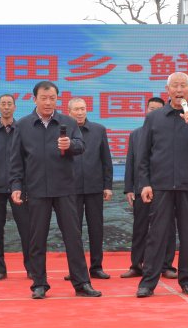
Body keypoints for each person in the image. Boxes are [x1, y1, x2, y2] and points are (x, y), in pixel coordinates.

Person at [9, 81, 101, 299]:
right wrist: (16, 185)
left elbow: (81, 146)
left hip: (66, 189)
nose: (48, 102)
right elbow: (16, 160)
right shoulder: (22, 125)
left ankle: (81, 283)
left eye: (52, 98)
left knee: (73, 237)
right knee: (37, 239)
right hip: (36, 189)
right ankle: (39, 284)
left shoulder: (68, 122)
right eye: (44, 98)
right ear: (35, 99)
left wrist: (70, 145)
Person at [135, 72, 188, 298]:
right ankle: (148, 281)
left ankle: (187, 279)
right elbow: (143, 154)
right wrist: (145, 183)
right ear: (167, 89)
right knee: (157, 234)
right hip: (160, 185)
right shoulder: (154, 117)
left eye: (183, 86)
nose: (179, 90)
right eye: (175, 86)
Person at [121, 97, 177, 279]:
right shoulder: (136, 134)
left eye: (157, 109)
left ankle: (166, 266)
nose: (153, 112)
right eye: (150, 108)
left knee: (167, 227)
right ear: (146, 110)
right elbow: (131, 162)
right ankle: (137, 265)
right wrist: (129, 187)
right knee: (140, 228)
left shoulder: (171, 132)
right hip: (141, 187)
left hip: (164, 187)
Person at [0, 94, 31, 280]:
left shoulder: (23, 130)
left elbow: (28, 159)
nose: (6, 107)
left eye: (9, 104)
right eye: (3, 104)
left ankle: (31, 267)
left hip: (19, 188)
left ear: (15, 107)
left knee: (26, 229)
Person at [69, 97, 114, 280]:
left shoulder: (98, 130)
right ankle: (76, 270)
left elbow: (106, 159)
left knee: (96, 228)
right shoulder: (63, 131)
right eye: (76, 109)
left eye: (83, 109)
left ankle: (96, 267)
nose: (80, 112)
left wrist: (108, 186)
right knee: (73, 230)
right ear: (69, 111)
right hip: (71, 189)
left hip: (95, 187)